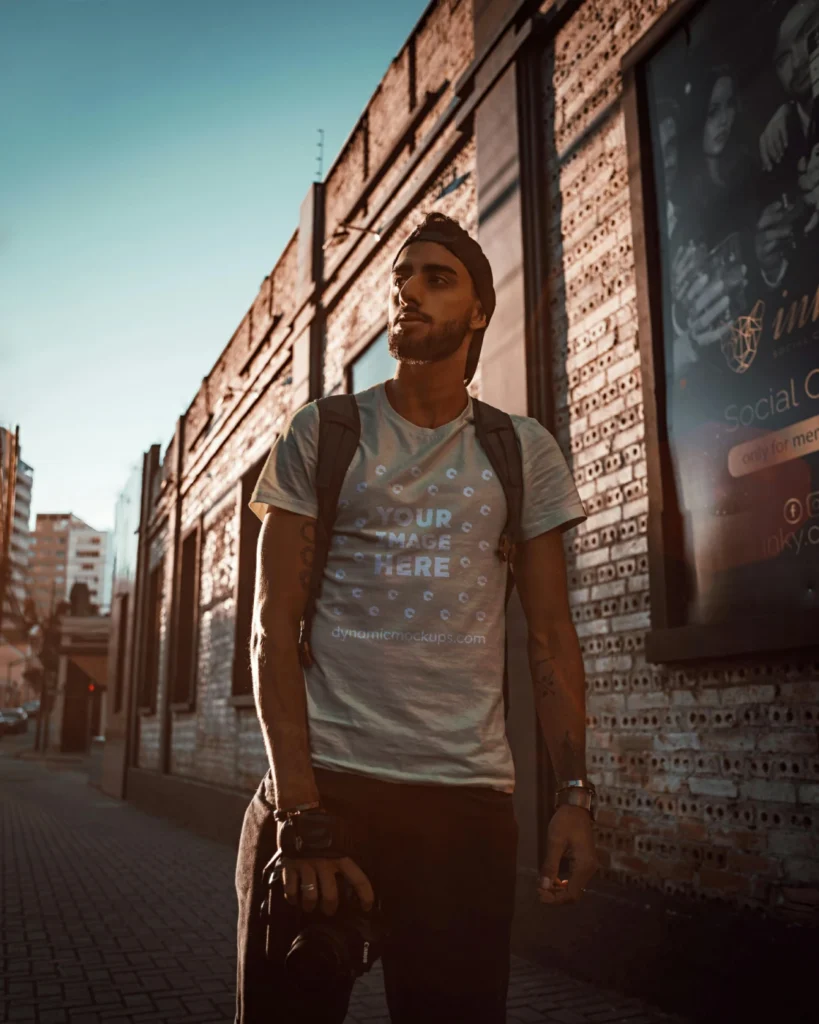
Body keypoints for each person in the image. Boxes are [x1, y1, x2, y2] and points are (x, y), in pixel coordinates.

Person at [234, 212, 597, 1023]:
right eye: (403, 276)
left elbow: (549, 635)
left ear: (477, 312)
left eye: (437, 278)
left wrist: (573, 794)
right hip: (326, 792)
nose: (408, 290)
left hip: (461, 807)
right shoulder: (323, 433)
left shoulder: (521, 450)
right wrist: (300, 813)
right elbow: (271, 625)